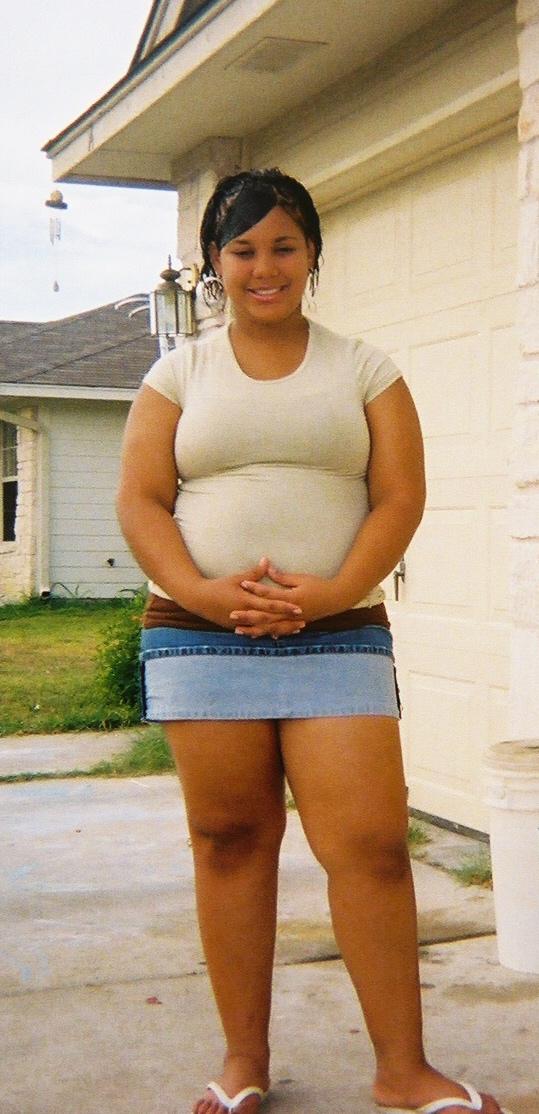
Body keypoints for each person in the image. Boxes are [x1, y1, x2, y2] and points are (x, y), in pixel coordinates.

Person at [116, 169, 508, 1114]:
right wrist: (203, 594)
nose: (264, 267)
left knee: (369, 846)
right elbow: (140, 500)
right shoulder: (178, 376)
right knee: (229, 841)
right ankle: (243, 1062)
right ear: (214, 265)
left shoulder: (366, 369)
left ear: (313, 255)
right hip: (200, 641)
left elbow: (398, 497)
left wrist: (332, 592)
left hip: (336, 636)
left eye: (283, 246)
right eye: (243, 249)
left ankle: (402, 1071)